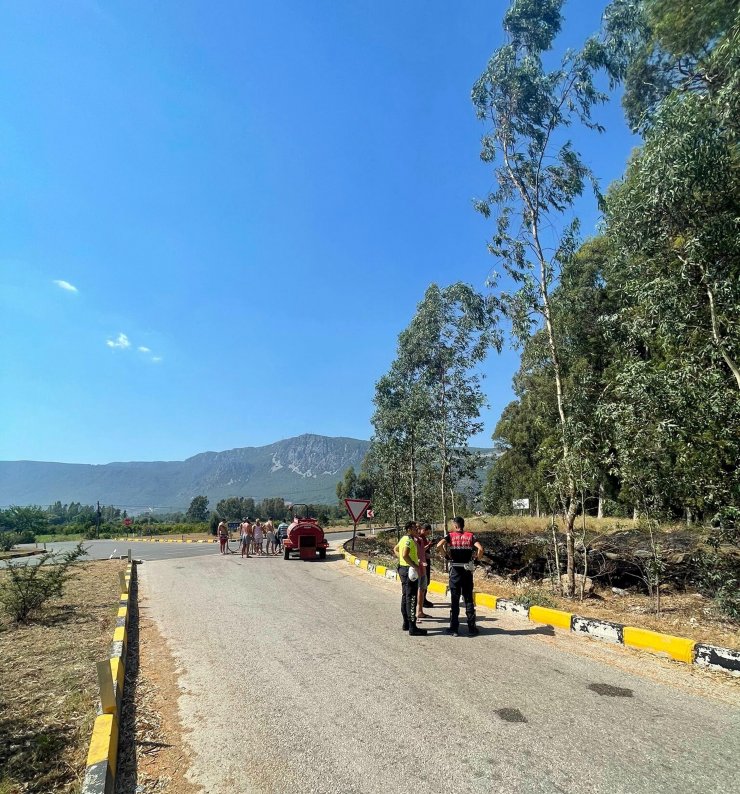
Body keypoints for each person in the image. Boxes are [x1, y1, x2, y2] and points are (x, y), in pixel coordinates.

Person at [436, 516, 484, 636]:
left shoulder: (450, 536)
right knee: (468, 598)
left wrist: (446, 556)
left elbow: (438, 545)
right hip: (467, 570)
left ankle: (454, 628)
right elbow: (480, 549)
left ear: (455, 525)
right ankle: (472, 628)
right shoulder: (470, 536)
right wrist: (476, 559)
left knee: (455, 599)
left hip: (455, 570)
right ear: (463, 525)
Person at [393, 521, 427, 636]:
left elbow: (396, 549)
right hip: (409, 571)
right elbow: (404, 554)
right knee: (411, 598)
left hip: (403, 568)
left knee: (405, 596)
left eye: (417, 528)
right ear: (409, 529)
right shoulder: (408, 540)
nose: (417, 530)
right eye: (414, 528)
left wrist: (403, 562)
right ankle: (413, 627)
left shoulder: (403, 538)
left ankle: (406, 623)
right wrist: (414, 565)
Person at [416, 523, 434, 619]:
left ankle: (423, 600)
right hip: (422, 562)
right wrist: (429, 545)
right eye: (427, 531)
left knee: (426, 583)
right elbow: (421, 550)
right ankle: (422, 603)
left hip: (425, 560)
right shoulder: (419, 538)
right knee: (422, 584)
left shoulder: (423, 538)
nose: (427, 533)